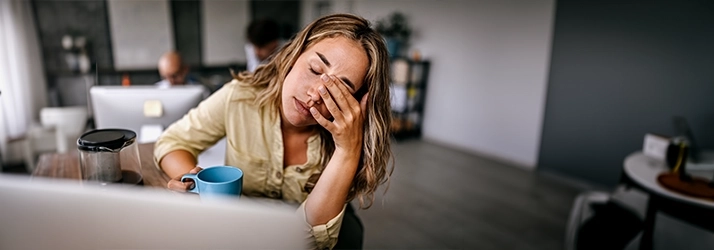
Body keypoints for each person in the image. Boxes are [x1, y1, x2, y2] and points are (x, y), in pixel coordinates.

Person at [154, 13, 393, 249]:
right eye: (315, 69)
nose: (314, 95)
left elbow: (311, 241)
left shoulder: (348, 139)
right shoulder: (240, 97)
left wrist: (347, 151)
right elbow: (172, 142)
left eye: (339, 90)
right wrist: (199, 188)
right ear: (293, 55)